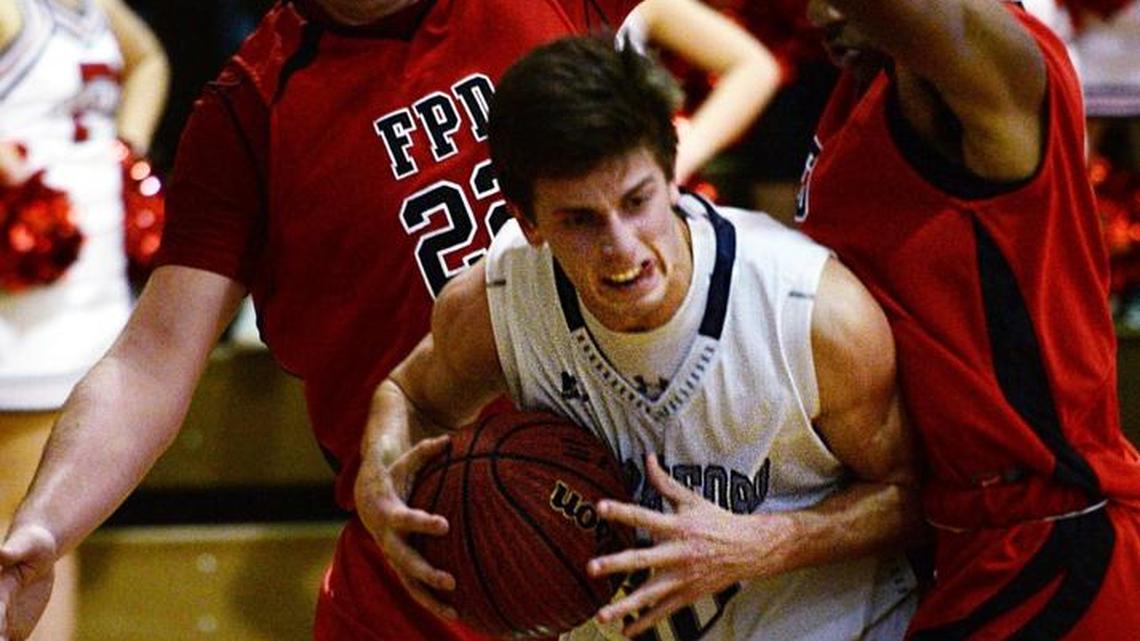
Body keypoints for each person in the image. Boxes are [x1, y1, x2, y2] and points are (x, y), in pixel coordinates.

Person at [0, 1, 780, 640]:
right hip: (440, 547)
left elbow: (746, 62)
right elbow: (150, 363)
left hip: (658, 508)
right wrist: (45, 526)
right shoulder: (249, 110)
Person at [355, 35, 924, 641]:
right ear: (528, 221)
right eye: (580, 219)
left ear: (672, 172)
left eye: (637, 201)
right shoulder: (497, 306)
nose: (621, 248)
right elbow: (411, 397)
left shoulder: (809, 312)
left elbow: (915, 495)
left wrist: (766, 545)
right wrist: (378, 480)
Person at [795, 0, 1140, 638]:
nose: (816, 12)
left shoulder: (998, 58)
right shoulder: (862, 88)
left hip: (1050, 543)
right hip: (947, 540)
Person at [0, 0, 168, 639]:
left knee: (42, 547)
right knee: (29, 551)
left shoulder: (92, 5)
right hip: (23, 331)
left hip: (88, 316)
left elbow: (148, 59)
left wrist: (126, 149)